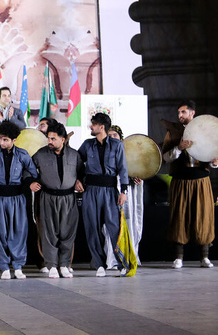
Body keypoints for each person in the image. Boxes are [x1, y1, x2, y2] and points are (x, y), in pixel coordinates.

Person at [162, 100, 218, 269]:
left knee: (204, 216)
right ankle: (179, 257)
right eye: (179, 113)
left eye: (183, 112)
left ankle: (204, 257)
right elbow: (165, 158)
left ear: (192, 113)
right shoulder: (172, 131)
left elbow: (213, 156)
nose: (180, 116)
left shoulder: (205, 130)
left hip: (201, 181)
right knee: (179, 216)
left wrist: (215, 162)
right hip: (181, 180)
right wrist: (179, 148)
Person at [0, 121, 39, 280]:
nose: (2, 142)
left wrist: (28, 182)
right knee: (0, 232)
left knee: (19, 232)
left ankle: (18, 266)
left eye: (6, 140)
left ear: (14, 140)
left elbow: (33, 173)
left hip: (17, 198)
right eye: (1, 139)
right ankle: (4, 267)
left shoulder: (22, 154)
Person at [78, 113, 129, 277]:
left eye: (93, 124)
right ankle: (99, 264)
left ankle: (121, 263)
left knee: (114, 228)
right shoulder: (87, 145)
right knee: (92, 227)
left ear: (101, 127)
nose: (90, 127)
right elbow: (76, 163)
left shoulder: (117, 145)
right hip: (90, 191)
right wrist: (76, 180)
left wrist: (124, 191)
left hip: (110, 191)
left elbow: (123, 169)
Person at [32, 122, 84, 279]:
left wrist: (80, 181)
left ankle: (64, 265)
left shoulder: (74, 155)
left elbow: (82, 173)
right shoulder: (40, 154)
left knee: (67, 233)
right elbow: (28, 171)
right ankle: (52, 265)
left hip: (69, 199)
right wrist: (31, 182)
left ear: (63, 139)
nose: (50, 142)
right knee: (49, 233)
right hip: (48, 198)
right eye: (48, 138)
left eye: (53, 139)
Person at [105, 125, 143, 269]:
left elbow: (138, 170)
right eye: (109, 135)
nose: (112, 138)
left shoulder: (129, 154)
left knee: (129, 222)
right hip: (110, 191)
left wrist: (139, 180)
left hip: (127, 194)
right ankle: (112, 259)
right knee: (111, 225)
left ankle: (129, 256)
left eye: (114, 135)